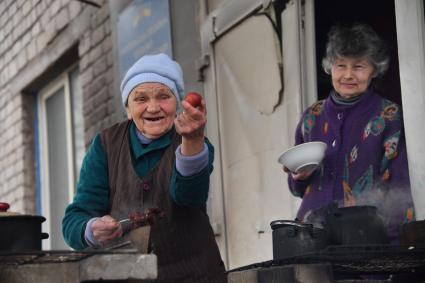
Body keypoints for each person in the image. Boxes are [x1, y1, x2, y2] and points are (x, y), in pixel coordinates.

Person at [62, 53, 226, 282]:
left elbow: (189, 197)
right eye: (140, 99)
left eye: (163, 96)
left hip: (194, 275)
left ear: (177, 103)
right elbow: (75, 219)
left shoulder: (194, 143)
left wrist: (192, 140)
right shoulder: (105, 146)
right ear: (128, 108)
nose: (153, 107)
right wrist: (91, 229)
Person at [283, 23, 415, 243]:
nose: (348, 75)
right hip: (312, 238)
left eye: (359, 66)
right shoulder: (312, 117)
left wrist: (393, 244)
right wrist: (298, 176)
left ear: (375, 69)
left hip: (366, 237)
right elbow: (297, 188)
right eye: (340, 65)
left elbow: (400, 187)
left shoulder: (388, 116)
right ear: (329, 67)